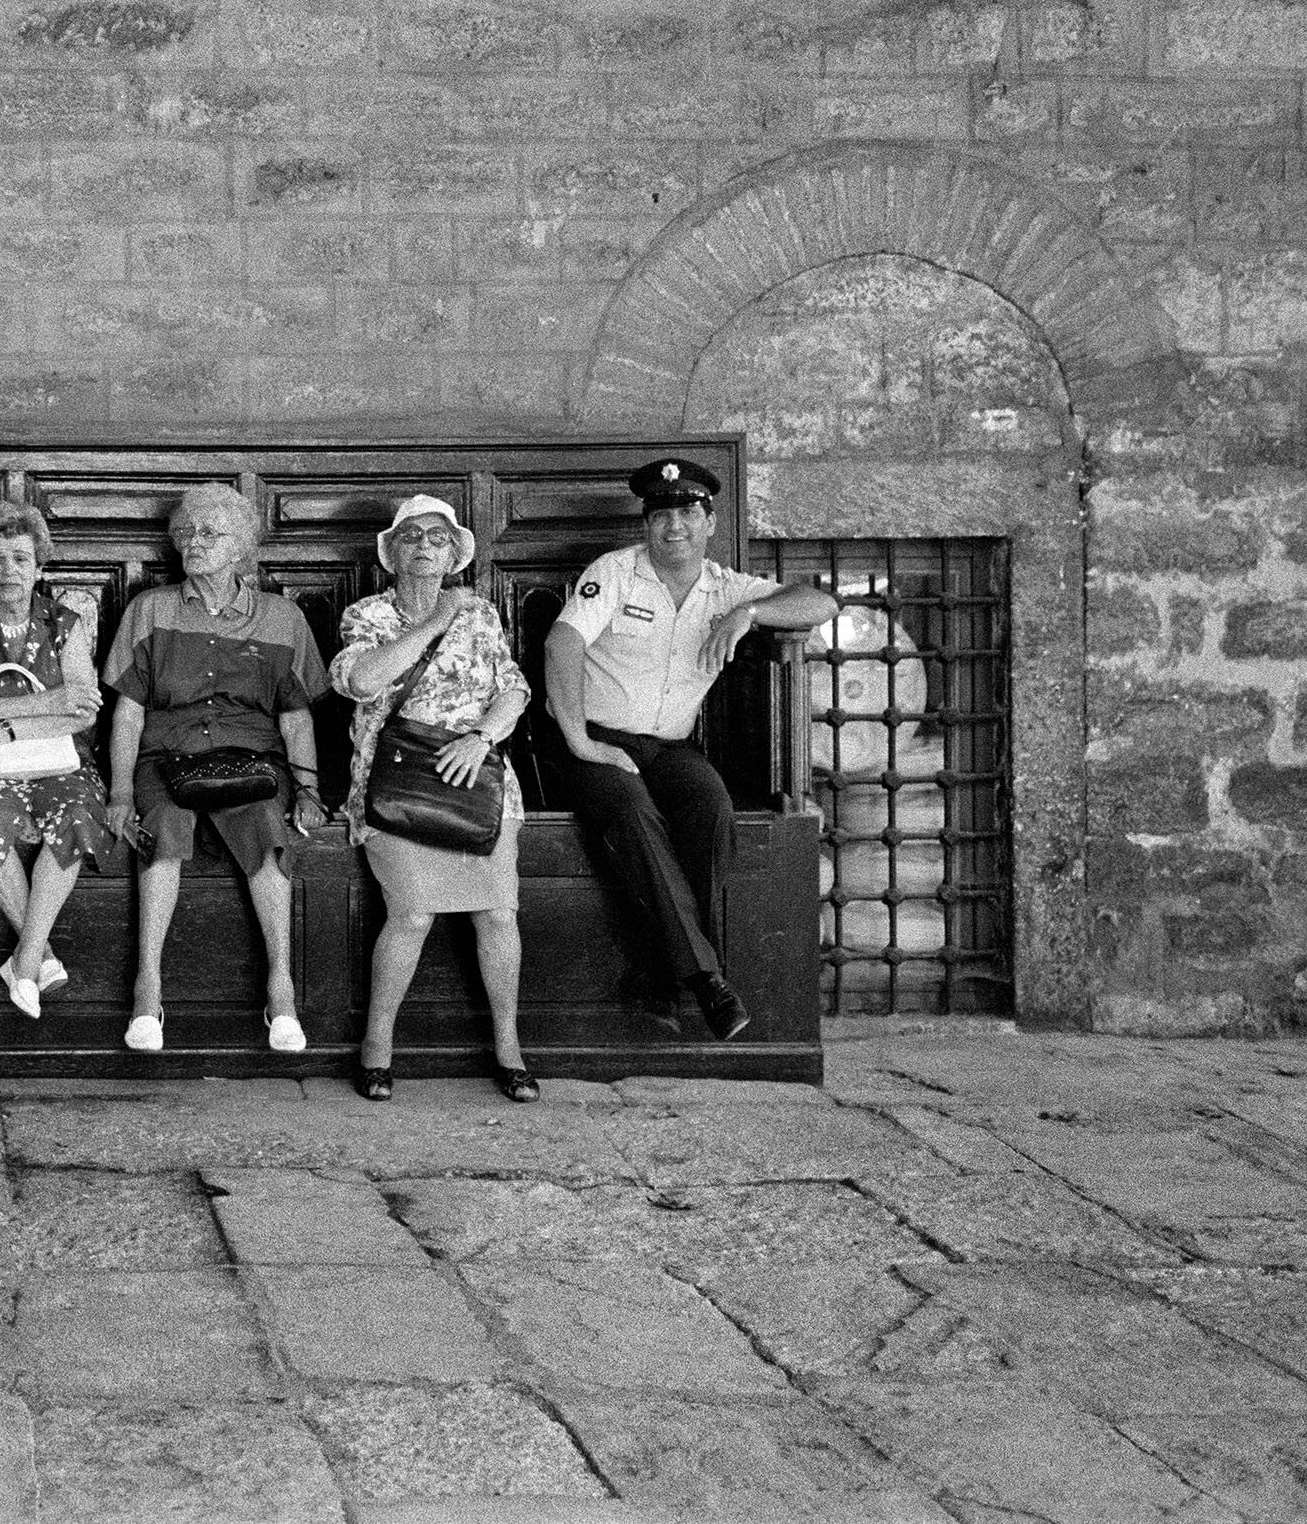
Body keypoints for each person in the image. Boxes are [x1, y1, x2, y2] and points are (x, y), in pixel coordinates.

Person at [545, 457, 840, 1040]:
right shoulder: (616, 572)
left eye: (686, 512)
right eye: (659, 515)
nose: (672, 526)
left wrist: (750, 612)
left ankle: (660, 976)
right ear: (646, 525)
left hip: (672, 745)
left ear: (709, 521)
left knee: (711, 805)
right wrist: (579, 741)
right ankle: (707, 980)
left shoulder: (726, 588)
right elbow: (562, 643)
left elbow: (822, 603)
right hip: (596, 739)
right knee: (633, 814)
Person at [103, 482, 330, 1055]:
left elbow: (297, 718)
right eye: (187, 533)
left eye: (209, 533)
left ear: (242, 548)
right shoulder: (149, 611)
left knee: (264, 825)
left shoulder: (282, 618)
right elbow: (127, 715)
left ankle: (282, 988)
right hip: (166, 758)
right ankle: (147, 987)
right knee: (165, 828)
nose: (193, 544)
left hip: (251, 762)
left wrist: (307, 789)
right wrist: (121, 794)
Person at [333, 495, 533, 1104]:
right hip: (396, 786)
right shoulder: (366, 614)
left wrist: (481, 738)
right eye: (412, 536)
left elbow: (514, 688)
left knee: (498, 915)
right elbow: (361, 681)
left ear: (453, 554)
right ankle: (376, 1048)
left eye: (439, 537)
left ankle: (509, 1047)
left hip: (475, 782)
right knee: (413, 915)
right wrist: (435, 621)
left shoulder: (483, 615)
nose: (424, 545)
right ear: (392, 553)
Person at [0, 501, 110, 1017]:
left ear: (39, 566)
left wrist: (5, 726)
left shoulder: (65, 624)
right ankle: (41, 956)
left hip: (58, 759)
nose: (9, 571)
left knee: (76, 813)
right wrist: (46, 703)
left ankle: (26, 961)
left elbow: (83, 712)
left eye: (21, 559)